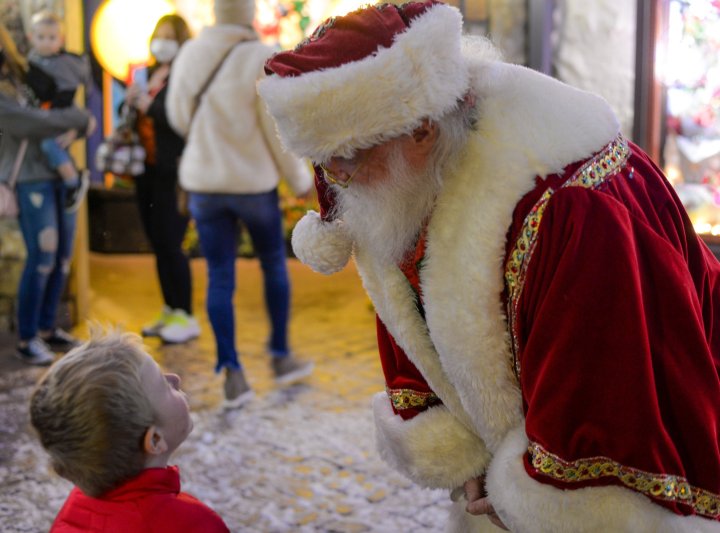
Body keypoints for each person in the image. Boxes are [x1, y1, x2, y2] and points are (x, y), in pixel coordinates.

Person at [258, 2, 720, 531]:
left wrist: (527, 493)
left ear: (423, 130)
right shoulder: (392, 176)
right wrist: (468, 461)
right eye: (322, 161)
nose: (336, 180)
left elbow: (606, 399)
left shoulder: (569, 208)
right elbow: (415, 322)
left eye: (349, 158)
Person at [166, 0, 315, 407]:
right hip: (252, 184)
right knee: (272, 264)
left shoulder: (192, 53)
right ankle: (282, 357)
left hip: (205, 184)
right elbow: (275, 128)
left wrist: (211, 141)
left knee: (219, 276)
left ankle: (232, 373)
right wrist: (299, 179)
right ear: (248, 13)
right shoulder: (259, 57)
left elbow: (178, 116)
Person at [29, 329, 230, 532]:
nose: (175, 379)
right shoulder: (193, 524)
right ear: (154, 440)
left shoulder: (77, 504)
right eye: (163, 385)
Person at [0, 21, 94, 366]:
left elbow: (56, 110)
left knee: (61, 257)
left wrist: (75, 121)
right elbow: (24, 121)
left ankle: (47, 327)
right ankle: (28, 337)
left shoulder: (25, 70)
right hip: (29, 177)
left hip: (58, 173)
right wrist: (80, 119)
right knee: (41, 258)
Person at [124, 14, 198, 344]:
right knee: (157, 243)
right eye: (159, 35)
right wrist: (131, 104)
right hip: (146, 169)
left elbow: (180, 120)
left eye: (170, 36)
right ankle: (169, 308)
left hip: (176, 171)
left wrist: (148, 105)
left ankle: (185, 314)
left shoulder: (187, 76)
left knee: (171, 242)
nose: (162, 41)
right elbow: (137, 117)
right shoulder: (149, 72)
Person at [27, 10, 92, 213]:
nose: (46, 42)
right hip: (48, 115)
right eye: (41, 37)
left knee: (50, 145)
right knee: (55, 146)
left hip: (60, 111)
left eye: (52, 38)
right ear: (31, 38)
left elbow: (67, 95)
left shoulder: (65, 63)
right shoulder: (33, 60)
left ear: (61, 40)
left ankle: (74, 181)